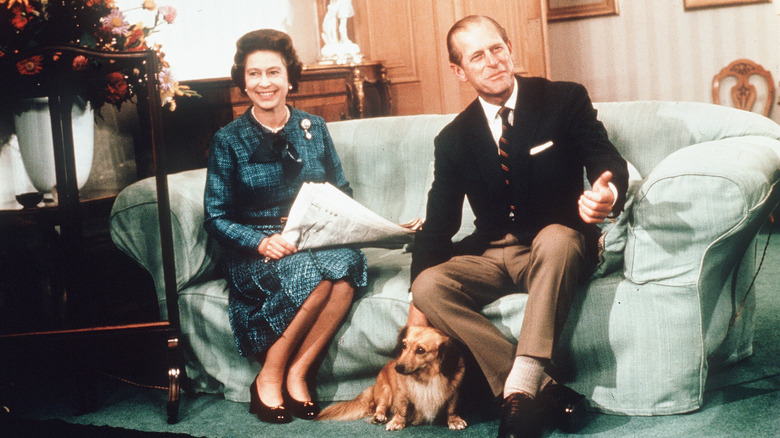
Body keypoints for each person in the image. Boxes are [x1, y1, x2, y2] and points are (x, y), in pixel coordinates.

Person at [406, 15, 629, 438]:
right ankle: (545, 391)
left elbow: (604, 157)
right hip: (491, 254)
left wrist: (607, 192)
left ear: (510, 50)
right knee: (429, 284)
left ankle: (519, 390)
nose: (492, 62)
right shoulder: (452, 139)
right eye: (477, 56)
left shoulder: (562, 99)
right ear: (459, 72)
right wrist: (417, 298)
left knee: (558, 238)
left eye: (497, 49)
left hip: (555, 246)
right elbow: (439, 222)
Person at [203, 29, 367, 424]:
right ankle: (269, 378)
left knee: (347, 267)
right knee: (317, 276)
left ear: (289, 77)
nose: (264, 83)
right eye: (254, 74)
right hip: (256, 252)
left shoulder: (314, 127)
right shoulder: (228, 139)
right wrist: (260, 243)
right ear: (243, 81)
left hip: (311, 239)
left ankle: (297, 373)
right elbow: (216, 216)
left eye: (273, 72)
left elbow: (339, 190)